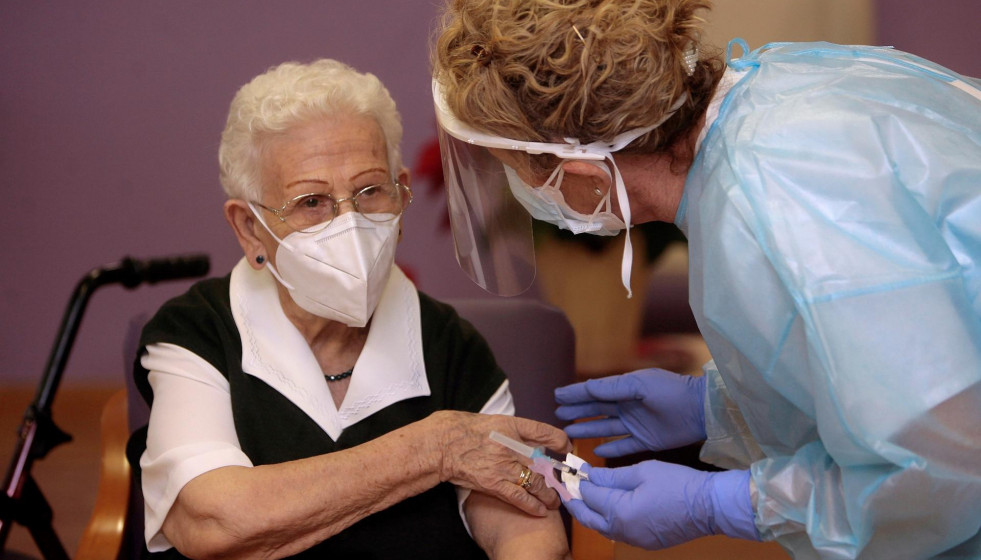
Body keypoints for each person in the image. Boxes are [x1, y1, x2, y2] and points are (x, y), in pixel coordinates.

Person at [429, 0, 981, 558]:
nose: (521, 189)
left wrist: (725, 502)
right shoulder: (768, 97)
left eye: (514, 168)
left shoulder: (768, 200)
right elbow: (897, 362)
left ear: (583, 173)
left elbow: (941, 468)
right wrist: (718, 406)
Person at [127, 58, 574, 560]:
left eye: (370, 191)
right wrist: (435, 448)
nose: (350, 223)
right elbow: (214, 521)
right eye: (311, 202)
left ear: (400, 195)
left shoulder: (449, 343)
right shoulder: (198, 332)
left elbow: (525, 519)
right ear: (250, 228)